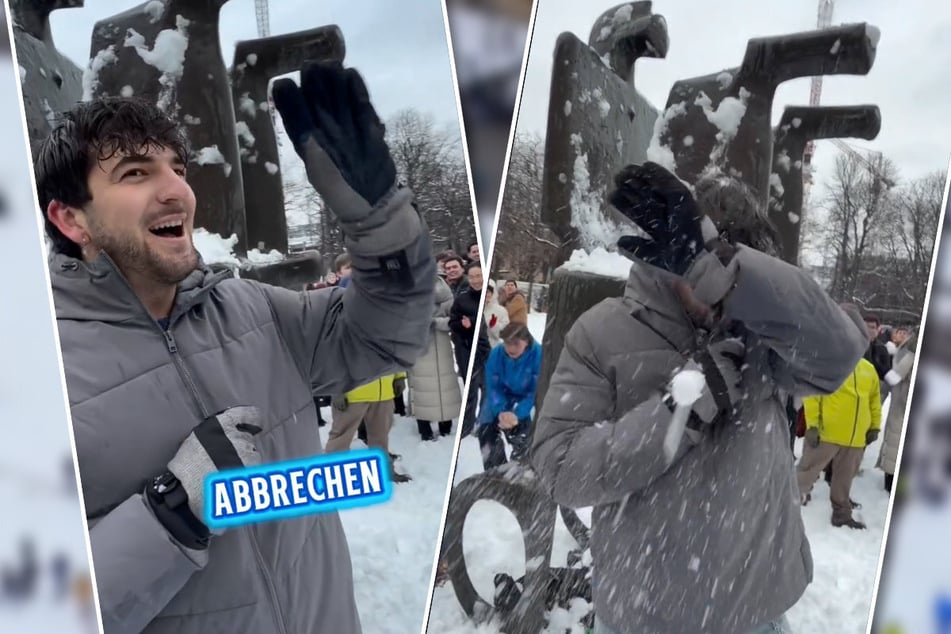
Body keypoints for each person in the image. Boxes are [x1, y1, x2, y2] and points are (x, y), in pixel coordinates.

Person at [35, 60, 435, 633]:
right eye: (135, 173)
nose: (176, 190)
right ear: (71, 219)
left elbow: (386, 336)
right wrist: (171, 513)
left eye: (177, 168)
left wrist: (381, 224)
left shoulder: (254, 308)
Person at [531, 163, 867, 634]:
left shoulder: (766, 335)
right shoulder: (601, 330)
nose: (717, 292)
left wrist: (723, 272)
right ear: (670, 255)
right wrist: (680, 410)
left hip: (757, 611)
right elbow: (561, 468)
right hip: (642, 615)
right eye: (704, 268)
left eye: (732, 271)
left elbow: (840, 352)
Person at [797, 305, 881, 530]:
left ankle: (842, 514)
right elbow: (812, 395)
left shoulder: (867, 368)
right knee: (806, 473)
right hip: (826, 433)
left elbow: (874, 400)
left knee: (844, 480)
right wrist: (813, 426)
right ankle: (785, 504)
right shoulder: (826, 360)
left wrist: (874, 426)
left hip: (856, 439)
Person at [478, 322, 541, 469]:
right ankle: (495, 471)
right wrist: (500, 411)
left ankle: (521, 470)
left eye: (516, 343)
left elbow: (535, 390)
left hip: (526, 401)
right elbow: (493, 386)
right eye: (507, 343)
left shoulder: (539, 355)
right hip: (500, 398)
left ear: (526, 341)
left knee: (524, 439)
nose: (511, 348)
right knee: (486, 433)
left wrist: (518, 414)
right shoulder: (496, 354)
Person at [327, 373, 412, 482]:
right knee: (340, 440)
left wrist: (399, 376)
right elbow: (331, 362)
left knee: (381, 439)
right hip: (352, 393)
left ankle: (384, 472)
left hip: (384, 391)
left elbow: (395, 359)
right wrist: (335, 388)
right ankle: (332, 476)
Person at [408, 274, 462, 440]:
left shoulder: (445, 295)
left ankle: (445, 426)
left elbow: (454, 321)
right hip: (418, 347)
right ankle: (424, 428)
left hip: (441, 345)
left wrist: (436, 322)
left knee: (443, 386)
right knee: (422, 386)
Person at [450, 261, 490, 436]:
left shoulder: (489, 297)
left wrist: (472, 322)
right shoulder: (462, 300)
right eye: (472, 276)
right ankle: (467, 427)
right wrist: (462, 325)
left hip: (486, 349)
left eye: (479, 275)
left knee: (488, 389)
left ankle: (484, 423)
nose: (476, 280)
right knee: (470, 391)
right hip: (467, 350)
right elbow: (453, 323)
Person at [878, 324, 917, 492]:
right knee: (896, 440)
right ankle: (891, 481)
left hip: (901, 403)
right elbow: (895, 376)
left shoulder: (908, 350)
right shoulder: (910, 351)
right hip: (901, 404)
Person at [864, 314, 892, 402]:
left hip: (871, 389)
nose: (869, 330)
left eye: (872, 327)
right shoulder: (853, 345)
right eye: (866, 326)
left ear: (877, 329)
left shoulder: (881, 348)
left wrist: (875, 363)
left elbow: (886, 373)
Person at [483, 283, 510, 347]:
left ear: (492, 294)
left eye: (488, 292)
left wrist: (494, 325)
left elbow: (505, 332)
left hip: (491, 346)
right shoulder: (472, 307)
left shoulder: (500, 310)